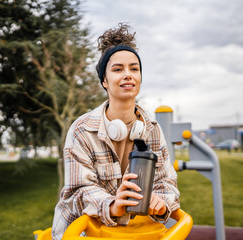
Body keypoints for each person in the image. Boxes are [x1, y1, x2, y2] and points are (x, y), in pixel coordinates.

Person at [51, 23, 180, 240]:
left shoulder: (153, 130)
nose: (128, 75)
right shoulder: (82, 130)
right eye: (118, 69)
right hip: (83, 233)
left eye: (134, 68)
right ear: (104, 81)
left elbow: (167, 183)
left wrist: (161, 200)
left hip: (130, 234)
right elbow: (77, 192)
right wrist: (112, 205)